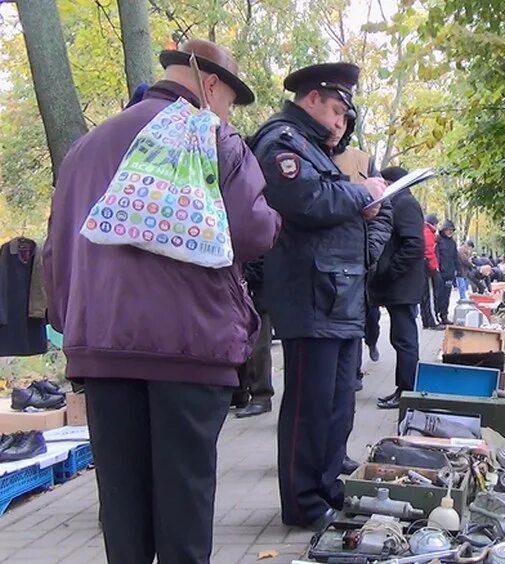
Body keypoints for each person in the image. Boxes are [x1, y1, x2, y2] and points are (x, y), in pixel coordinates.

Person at [43, 39, 281, 563]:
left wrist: (78, 328)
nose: (226, 112)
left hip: (102, 347)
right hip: (188, 347)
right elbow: (252, 231)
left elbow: (57, 251)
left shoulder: (88, 146)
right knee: (184, 507)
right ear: (212, 85)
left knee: (123, 509)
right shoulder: (208, 136)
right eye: (228, 101)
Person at [248, 62, 387, 531]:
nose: (338, 123)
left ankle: (327, 486)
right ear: (311, 99)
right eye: (334, 111)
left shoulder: (315, 148)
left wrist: (360, 206)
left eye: (344, 116)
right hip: (312, 297)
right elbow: (304, 201)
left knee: (337, 403)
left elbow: (329, 201)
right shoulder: (283, 141)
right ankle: (303, 501)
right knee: (310, 406)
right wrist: (358, 193)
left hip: (338, 295)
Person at [327, 106, 392, 470]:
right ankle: (317, 461)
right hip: (319, 286)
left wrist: (367, 251)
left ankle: (338, 454)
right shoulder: (306, 154)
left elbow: (384, 213)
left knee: (344, 385)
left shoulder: (363, 161)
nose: (338, 127)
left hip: (355, 280)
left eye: (345, 120)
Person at [371, 166, 426, 410]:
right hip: (400, 285)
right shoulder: (400, 202)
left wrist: (389, 273)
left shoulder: (404, 204)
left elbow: (414, 245)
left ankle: (407, 391)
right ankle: (404, 388)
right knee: (401, 338)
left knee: (404, 340)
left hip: (401, 285)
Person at [233, 259, 275, 417]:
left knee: (258, 346)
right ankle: (239, 392)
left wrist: (248, 275)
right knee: (237, 341)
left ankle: (261, 396)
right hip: (239, 282)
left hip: (255, 286)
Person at [420, 214, 443, 329]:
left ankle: (426, 321)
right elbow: (429, 252)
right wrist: (435, 268)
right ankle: (433, 321)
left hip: (421, 267)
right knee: (430, 294)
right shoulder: (428, 233)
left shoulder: (422, 230)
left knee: (424, 296)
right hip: (428, 268)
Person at [436, 219, 458, 323]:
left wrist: (457, 271)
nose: (450, 232)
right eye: (448, 230)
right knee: (438, 295)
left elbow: (455, 258)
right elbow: (437, 256)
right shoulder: (438, 240)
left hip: (449, 273)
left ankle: (444, 315)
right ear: (443, 230)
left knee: (446, 296)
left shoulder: (453, 243)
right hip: (440, 273)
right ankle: (436, 314)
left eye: (451, 230)